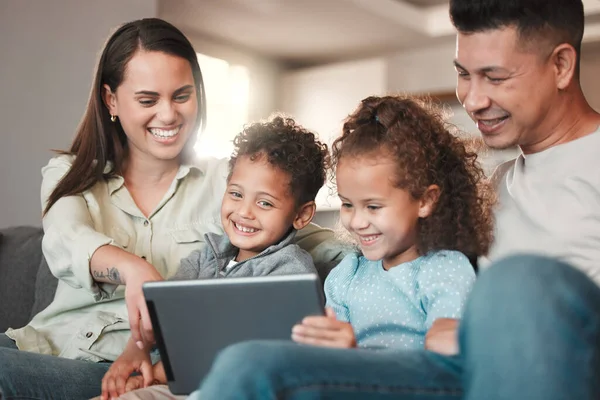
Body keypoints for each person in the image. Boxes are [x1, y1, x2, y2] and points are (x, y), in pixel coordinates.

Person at [196, 0, 600, 399]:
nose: (473, 100)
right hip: (450, 371)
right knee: (250, 365)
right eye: (463, 74)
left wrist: (482, 331)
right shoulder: (497, 187)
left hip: (550, 368)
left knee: (521, 278)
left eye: (494, 77)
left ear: (561, 65)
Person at [0, 19, 344, 400]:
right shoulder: (70, 173)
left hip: (113, 366)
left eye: (182, 96)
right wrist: (133, 269)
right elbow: (65, 239)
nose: (168, 116)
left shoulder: (228, 183)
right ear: (111, 100)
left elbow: (316, 240)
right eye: (148, 100)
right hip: (38, 343)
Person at [99, 115, 330, 400]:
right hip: (177, 381)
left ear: (301, 215)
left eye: (264, 203)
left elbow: (250, 352)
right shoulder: (207, 254)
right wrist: (136, 353)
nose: (244, 212)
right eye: (235, 194)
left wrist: (156, 375)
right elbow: (160, 315)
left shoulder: (290, 272)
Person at [289, 95, 493, 351]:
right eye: (348, 204)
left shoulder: (444, 268)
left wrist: (354, 357)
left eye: (373, 207)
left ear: (425, 201)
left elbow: (445, 361)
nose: (358, 221)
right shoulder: (346, 274)